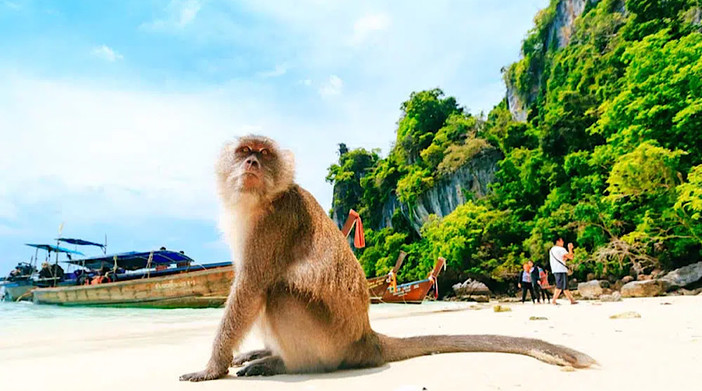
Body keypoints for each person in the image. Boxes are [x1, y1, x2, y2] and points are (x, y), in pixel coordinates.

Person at [549, 237, 577, 305]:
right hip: (560, 269)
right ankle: (554, 300)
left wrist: (565, 256)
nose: (563, 242)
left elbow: (563, 258)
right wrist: (570, 248)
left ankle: (571, 300)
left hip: (555, 269)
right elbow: (571, 257)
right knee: (560, 285)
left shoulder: (552, 249)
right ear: (558, 241)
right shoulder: (561, 249)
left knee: (564, 286)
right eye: (562, 241)